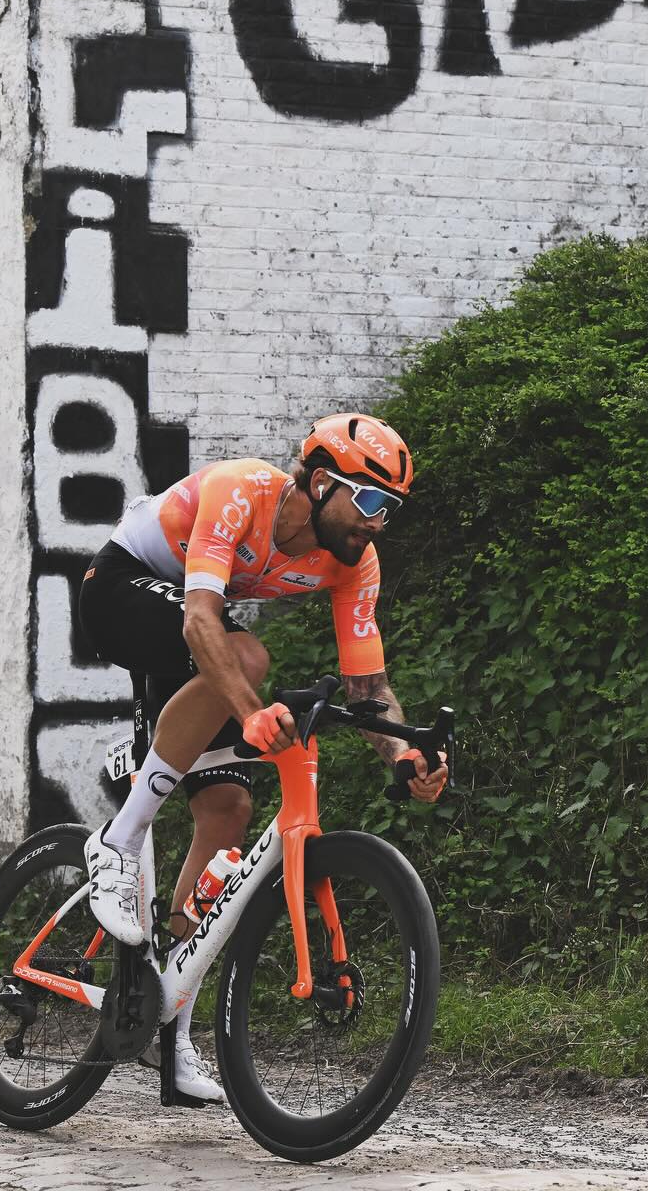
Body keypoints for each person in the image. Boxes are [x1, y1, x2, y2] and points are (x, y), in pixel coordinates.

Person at [76, 413, 448, 1102]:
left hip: (193, 633)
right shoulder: (244, 491)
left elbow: (368, 686)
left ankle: (169, 1028)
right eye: (368, 500)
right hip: (124, 587)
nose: (377, 522)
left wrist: (404, 754)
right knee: (245, 654)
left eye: (390, 509)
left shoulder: (355, 563)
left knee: (227, 810)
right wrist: (252, 713)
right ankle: (118, 840)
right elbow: (197, 619)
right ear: (318, 481)